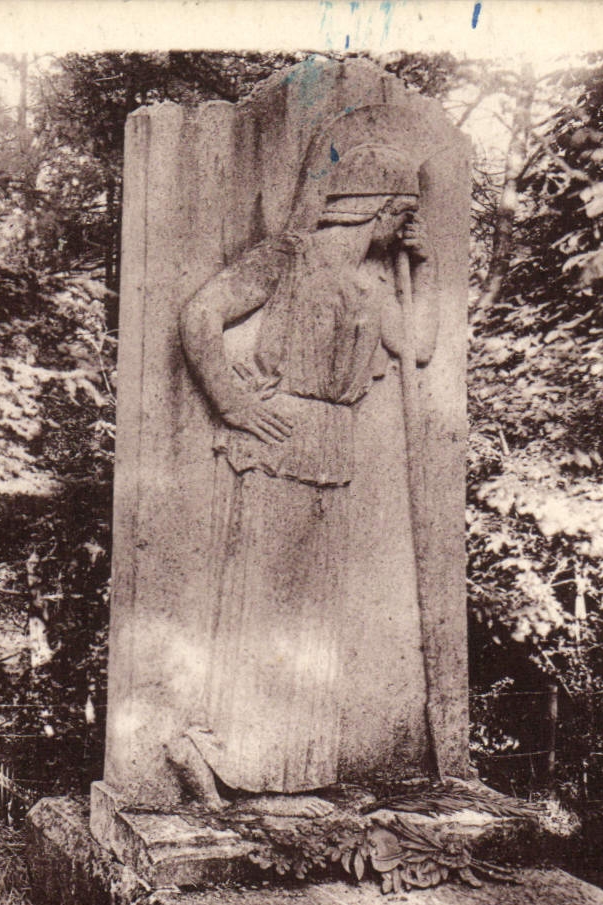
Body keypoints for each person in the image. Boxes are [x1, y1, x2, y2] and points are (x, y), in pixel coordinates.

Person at [167, 139, 437, 817]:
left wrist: (423, 270)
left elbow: (420, 348)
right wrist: (233, 401)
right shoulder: (286, 255)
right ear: (374, 211)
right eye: (398, 214)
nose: (398, 228)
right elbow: (199, 312)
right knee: (267, 604)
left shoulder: (374, 284)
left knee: (312, 617)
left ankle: (296, 774)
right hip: (278, 436)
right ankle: (230, 759)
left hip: (333, 442)